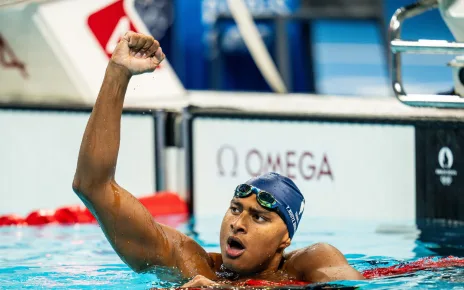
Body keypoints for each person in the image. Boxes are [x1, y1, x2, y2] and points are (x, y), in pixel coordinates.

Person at [72, 31, 365, 288]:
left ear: (284, 240)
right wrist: (117, 72)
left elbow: (348, 285)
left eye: (259, 217)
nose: (238, 224)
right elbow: (93, 186)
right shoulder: (191, 264)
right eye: (236, 209)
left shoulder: (312, 260)